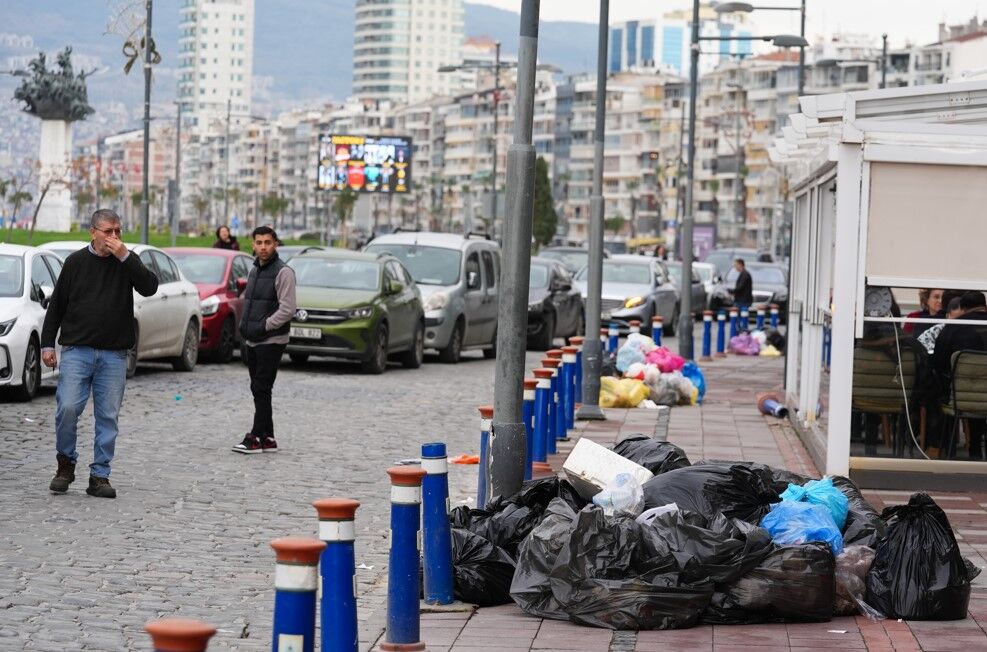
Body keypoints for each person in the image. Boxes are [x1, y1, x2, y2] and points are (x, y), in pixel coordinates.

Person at [41, 209, 159, 498]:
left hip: (114, 355)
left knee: (108, 417)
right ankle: (65, 464)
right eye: (108, 231)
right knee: (67, 408)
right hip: (77, 351)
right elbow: (57, 305)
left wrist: (125, 257)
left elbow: (150, 287)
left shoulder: (127, 263)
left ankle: (99, 475)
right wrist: (46, 344)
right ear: (93, 232)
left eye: (118, 231)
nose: (115, 237)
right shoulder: (75, 263)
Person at [233, 225, 297, 454]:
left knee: (261, 387)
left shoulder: (284, 272)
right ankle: (267, 437)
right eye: (259, 243)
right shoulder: (254, 270)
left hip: (272, 340)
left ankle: (254, 437)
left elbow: (288, 309)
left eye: (267, 243)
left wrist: (263, 326)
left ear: (275, 244)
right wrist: (246, 327)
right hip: (252, 340)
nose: (263, 247)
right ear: (253, 244)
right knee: (259, 389)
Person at [933, 291, 987, 459]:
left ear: (962, 309)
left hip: (961, 399)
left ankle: (965, 451)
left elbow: (938, 364)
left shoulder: (953, 327)